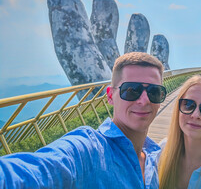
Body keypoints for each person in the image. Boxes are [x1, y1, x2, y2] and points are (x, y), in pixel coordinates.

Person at [0, 52, 167, 189]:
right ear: (110, 95)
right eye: (131, 90)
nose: (144, 100)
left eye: (154, 91)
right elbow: (33, 172)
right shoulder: (89, 151)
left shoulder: (154, 157)